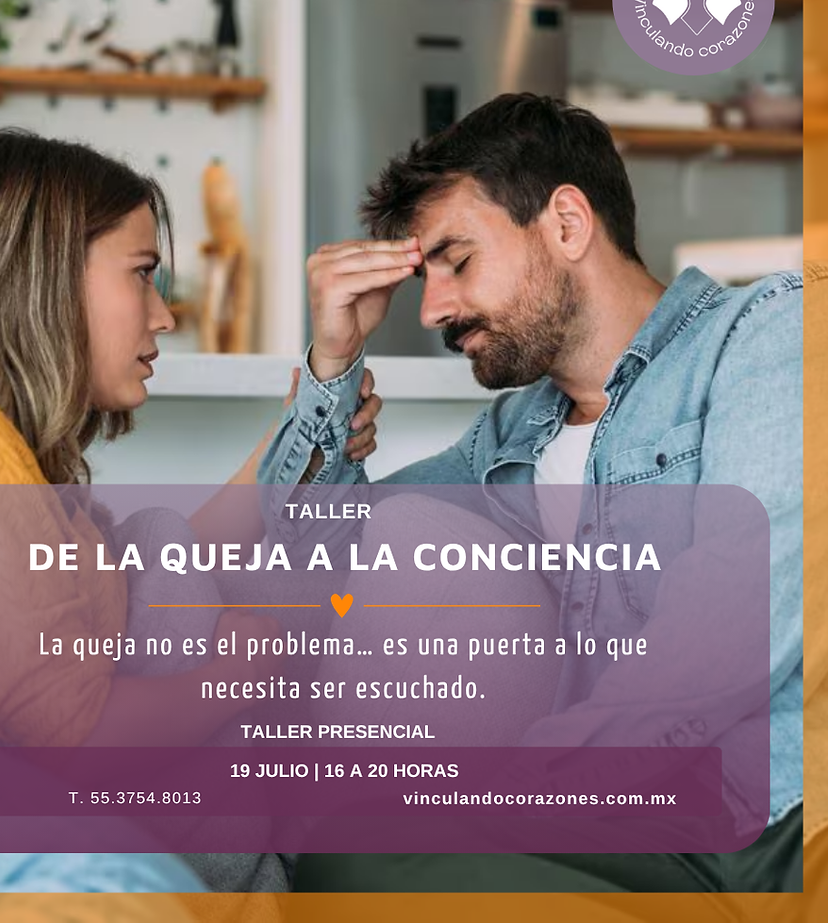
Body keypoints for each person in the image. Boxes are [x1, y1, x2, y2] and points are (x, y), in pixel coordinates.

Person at [257, 93, 802, 893]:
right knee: (333, 852)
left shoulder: (765, 335)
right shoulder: (514, 434)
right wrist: (331, 367)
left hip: (754, 829)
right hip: (606, 831)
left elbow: (729, 633)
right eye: (424, 277)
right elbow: (317, 563)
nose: (436, 310)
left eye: (458, 261)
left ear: (568, 224)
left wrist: (507, 789)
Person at [0, 128, 383, 896]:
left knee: (160, 550)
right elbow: (75, 737)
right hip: (84, 830)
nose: (163, 316)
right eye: (142, 275)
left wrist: (317, 396)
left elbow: (184, 551)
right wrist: (253, 661)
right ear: (41, 277)